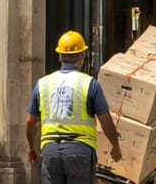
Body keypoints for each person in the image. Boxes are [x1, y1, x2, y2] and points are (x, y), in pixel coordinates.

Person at [25, 30, 122, 184]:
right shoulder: (90, 84)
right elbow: (106, 121)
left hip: (51, 152)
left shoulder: (43, 84)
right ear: (82, 56)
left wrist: (31, 149)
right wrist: (115, 146)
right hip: (79, 152)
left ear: (59, 56)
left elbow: (30, 122)